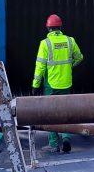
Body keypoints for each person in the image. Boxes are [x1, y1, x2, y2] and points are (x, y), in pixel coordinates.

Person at [32, 13, 83, 153]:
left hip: (51, 85)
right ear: (60, 27)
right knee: (66, 111)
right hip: (66, 83)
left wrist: (35, 85)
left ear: (48, 28)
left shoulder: (45, 43)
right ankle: (66, 138)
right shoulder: (70, 41)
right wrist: (69, 66)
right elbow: (79, 57)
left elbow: (40, 66)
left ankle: (54, 144)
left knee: (50, 114)